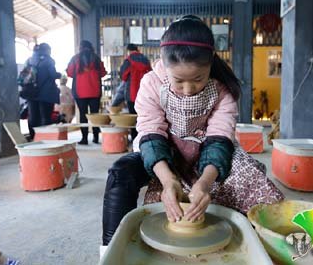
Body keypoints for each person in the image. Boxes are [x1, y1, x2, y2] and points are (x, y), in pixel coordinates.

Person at [102, 15, 284, 245]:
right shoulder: (152, 84)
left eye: (198, 79)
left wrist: (206, 183)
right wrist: (168, 181)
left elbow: (219, 138)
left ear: (211, 63)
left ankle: (261, 245)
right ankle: (110, 248)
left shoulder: (221, 90)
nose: (188, 89)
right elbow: (151, 135)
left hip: (210, 153)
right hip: (166, 154)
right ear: (163, 62)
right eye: (179, 81)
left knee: (250, 184)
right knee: (126, 176)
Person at [67, 40, 107, 145]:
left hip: (80, 92)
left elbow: (70, 73)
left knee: (83, 115)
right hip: (95, 91)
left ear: (80, 47)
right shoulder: (96, 59)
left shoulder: (75, 58)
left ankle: (84, 138)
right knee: (95, 115)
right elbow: (103, 73)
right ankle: (96, 137)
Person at [26, 43, 61, 139]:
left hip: (31, 92)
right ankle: (44, 138)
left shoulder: (29, 60)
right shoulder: (48, 60)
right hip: (46, 93)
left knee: (33, 116)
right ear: (47, 50)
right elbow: (53, 75)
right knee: (45, 116)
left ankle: (33, 136)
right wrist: (59, 75)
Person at [118, 44, 152, 139]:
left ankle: (134, 139)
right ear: (137, 49)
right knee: (145, 117)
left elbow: (123, 76)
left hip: (131, 94)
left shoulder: (128, 61)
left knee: (133, 117)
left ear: (128, 50)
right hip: (145, 93)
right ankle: (144, 138)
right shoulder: (145, 60)